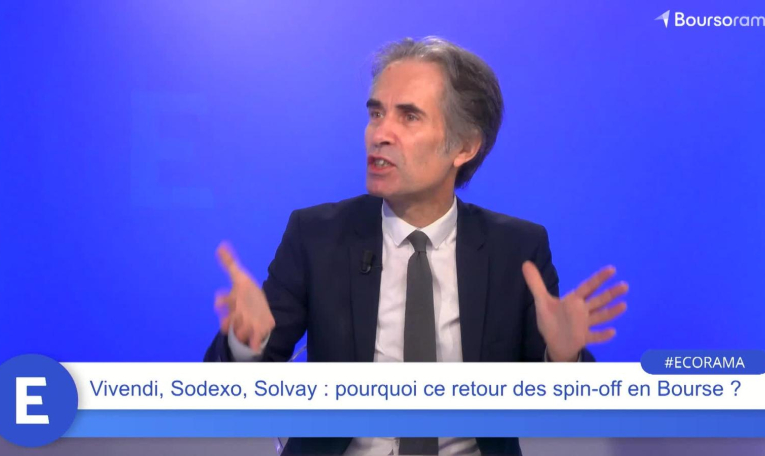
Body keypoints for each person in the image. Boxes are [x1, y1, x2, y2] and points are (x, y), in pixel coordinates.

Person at [204, 36, 628, 456]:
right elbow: (231, 393)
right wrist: (243, 342)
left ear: (465, 146)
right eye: (376, 113)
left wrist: (564, 358)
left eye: (408, 117)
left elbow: (563, 410)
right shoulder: (317, 235)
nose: (380, 134)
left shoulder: (516, 250)